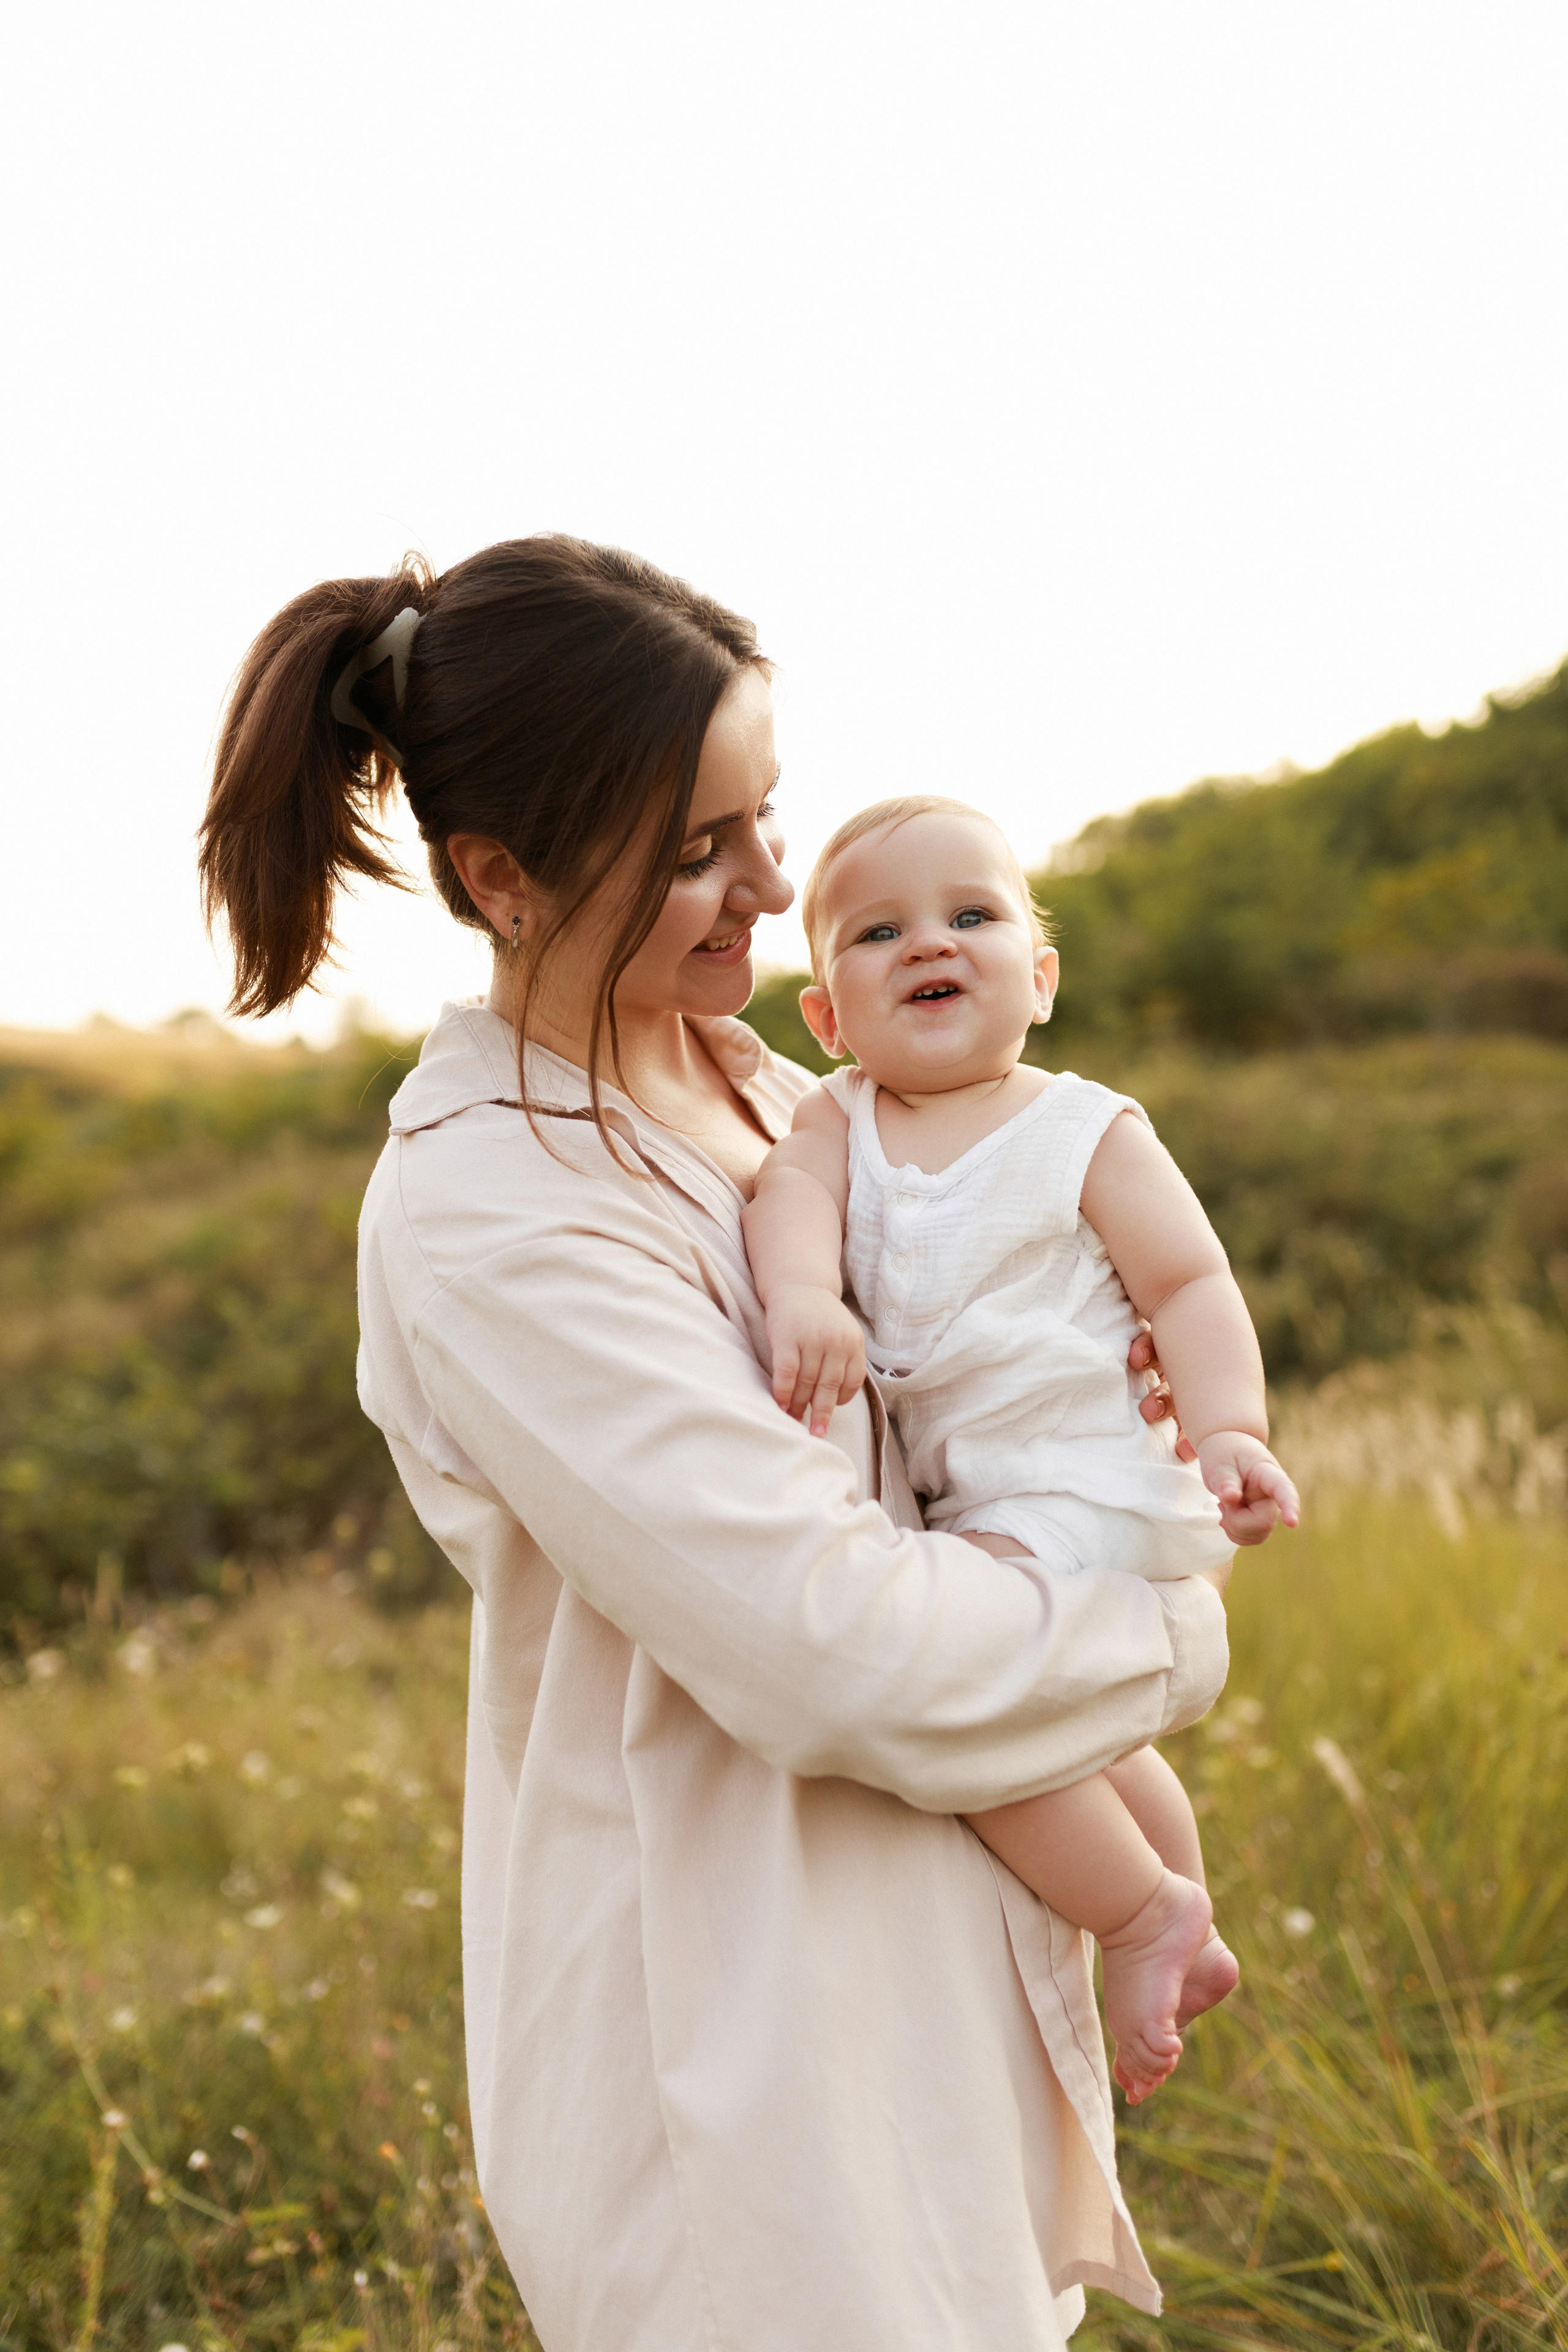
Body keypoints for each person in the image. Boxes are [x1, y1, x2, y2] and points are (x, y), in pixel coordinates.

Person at [199, 535, 1232, 2352]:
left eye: (764, 816)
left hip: (938, 1963)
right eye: (696, 848)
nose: (771, 882)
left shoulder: (765, 1080)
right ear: (503, 879)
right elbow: (840, 1648)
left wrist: (1104, 1393)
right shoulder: (495, 1209)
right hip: (747, 2045)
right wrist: (1166, 1620)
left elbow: (956, 1377)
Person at [741, 794, 1300, 2105]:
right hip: (989, 1493)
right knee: (1078, 1740)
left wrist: (1229, 1429)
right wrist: (806, 1297)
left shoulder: (1083, 1128)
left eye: (971, 916)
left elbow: (1189, 1284)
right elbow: (789, 1203)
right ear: (826, 1015)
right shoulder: (834, 1119)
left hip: (1089, 1474)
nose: (928, 943)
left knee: (957, 1688)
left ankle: (1133, 1915)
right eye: (878, 931)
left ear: (1036, 981)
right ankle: (1187, 1915)